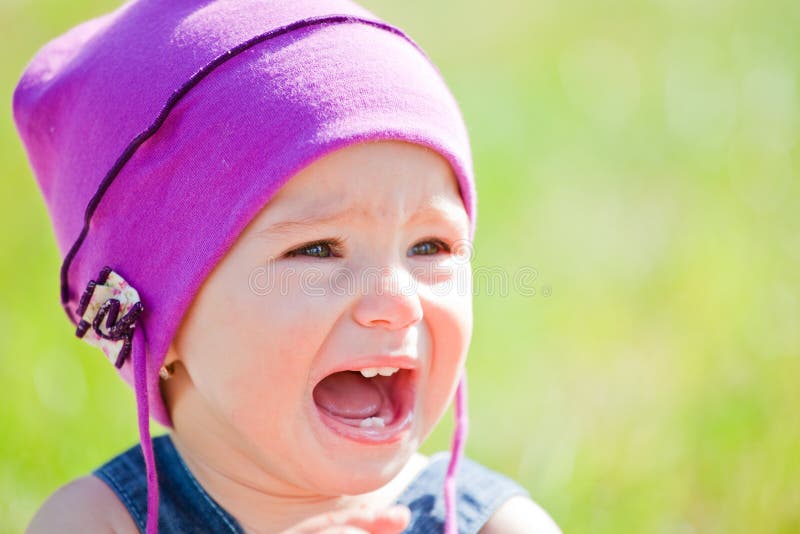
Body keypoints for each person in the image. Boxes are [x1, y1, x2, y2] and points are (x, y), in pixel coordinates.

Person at [13, 1, 562, 533]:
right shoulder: (96, 522)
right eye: (318, 249)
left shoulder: (495, 524)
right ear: (158, 321)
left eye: (430, 247)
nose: (399, 301)